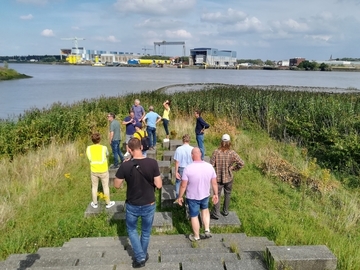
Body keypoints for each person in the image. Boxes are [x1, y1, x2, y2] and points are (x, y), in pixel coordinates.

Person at [114, 138, 162, 268]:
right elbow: (159, 184)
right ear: (141, 147)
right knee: (146, 232)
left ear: (129, 149)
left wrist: (123, 170)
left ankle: (140, 256)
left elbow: (117, 185)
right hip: (149, 203)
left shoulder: (125, 165)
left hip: (133, 204)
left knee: (132, 230)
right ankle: (142, 254)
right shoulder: (152, 163)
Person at [177, 147, 218, 242]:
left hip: (192, 197)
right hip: (205, 195)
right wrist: (215, 194)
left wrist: (180, 197)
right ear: (200, 154)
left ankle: (196, 236)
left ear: (192, 156)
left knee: (194, 216)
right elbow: (214, 183)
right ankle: (207, 229)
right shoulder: (209, 166)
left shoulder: (188, 168)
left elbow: (183, 185)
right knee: (205, 210)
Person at [210, 134, 245, 220]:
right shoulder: (232, 153)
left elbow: (211, 165)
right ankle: (225, 211)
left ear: (221, 142)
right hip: (229, 177)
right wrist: (233, 168)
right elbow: (242, 163)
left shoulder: (216, 152)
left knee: (216, 194)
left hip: (217, 178)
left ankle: (216, 213)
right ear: (229, 142)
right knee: (227, 194)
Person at [86, 132, 115, 209]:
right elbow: (107, 154)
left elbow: (89, 158)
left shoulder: (88, 148)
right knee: (105, 187)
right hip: (103, 169)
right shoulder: (104, 148)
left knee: (94, 187)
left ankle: (95, 203)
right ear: (99, 139)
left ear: (92, 140)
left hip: (94, 170)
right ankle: (108, 203)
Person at [173, 134, 193, 203]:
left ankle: (178, 197)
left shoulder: (179, 149)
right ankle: (188, 198)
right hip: (190, 168)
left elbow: (177, 162)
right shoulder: (192, 149)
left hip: (181, 168)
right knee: (189, 183)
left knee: (178, 182)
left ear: (183, 140)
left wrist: (176, 172)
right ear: (189, 140)